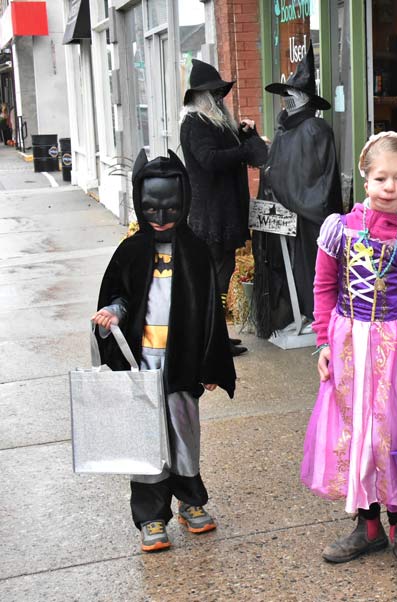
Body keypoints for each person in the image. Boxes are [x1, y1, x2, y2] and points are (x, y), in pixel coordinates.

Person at [300, 131, 397, 573]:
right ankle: (368, 523)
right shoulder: (339, 229)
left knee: (393, 433)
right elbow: (323, 287)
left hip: (396, 351)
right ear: (365, 180)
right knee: (357, 430)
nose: (389, 187)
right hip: (347, 347)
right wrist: (323, 340)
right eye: (381, 178)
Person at [91, 150, 236, 553]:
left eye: (171, 206)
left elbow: (211, 314)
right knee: (146, 440)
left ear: (184, 202)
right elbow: (120, 295)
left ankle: (191, 501)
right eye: (152, 207)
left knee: (185, 437)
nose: (160, 215)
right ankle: (152, 517)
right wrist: (112, 312)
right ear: (140, 203)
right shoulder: (130, 252)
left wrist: (210, 364)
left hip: (183, 363)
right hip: (143, 364)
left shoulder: (196, 252)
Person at [254, 42, 342, 338]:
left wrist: (285, 187)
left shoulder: (315, 130)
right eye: (284, 96)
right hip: (289, 215)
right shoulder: (288, 129)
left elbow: (315, 179)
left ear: (304, 97)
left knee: (312, 269)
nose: (285, 102)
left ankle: (315, 316)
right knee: (294, 266)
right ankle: (300, 312)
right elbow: (280, 165)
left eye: (290, 95)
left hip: (311, 217)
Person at [180, 58, 267, 356]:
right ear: (202, 96)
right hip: (211, 215)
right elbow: (209, 159)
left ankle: (216, 336)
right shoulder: (195, 123)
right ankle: (211, 340)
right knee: (215, 276)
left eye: (220, 93)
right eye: (214, 94)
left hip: (223, 212)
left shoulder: (209, 122)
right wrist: (243, 149)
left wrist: (242, 134)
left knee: (222, 272)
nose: (220, 99)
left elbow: (223, 151)